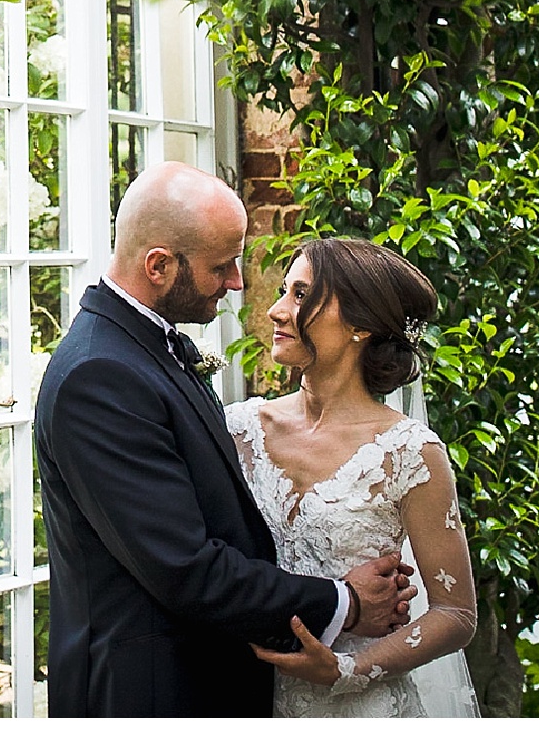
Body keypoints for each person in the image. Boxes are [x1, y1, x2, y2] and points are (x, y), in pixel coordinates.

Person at [36, 162, 416, 716]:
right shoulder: (99, 376)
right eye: (223, 266)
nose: (238, 282)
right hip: (147, 695)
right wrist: (346, 601)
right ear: (159, 266)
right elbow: (186, 568)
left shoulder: (140, 348)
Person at [232, 236, 480, 717]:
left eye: (301, 295)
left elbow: (456, 614)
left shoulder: (411, 453)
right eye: (285, 292)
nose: (277, 311)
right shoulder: (238, 430)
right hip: (248, 696)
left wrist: (347, 671)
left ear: (360, 325)